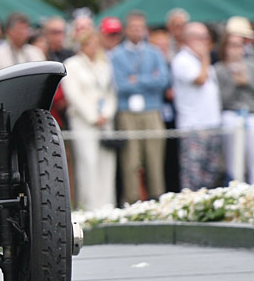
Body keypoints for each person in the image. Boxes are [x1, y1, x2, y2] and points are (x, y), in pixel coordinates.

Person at [109, 11, 170, 204]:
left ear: (145, 30)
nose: (137, 31)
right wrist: (148, 80)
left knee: (155, 159)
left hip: (152, 110)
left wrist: (137, 80)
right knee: (131, 161)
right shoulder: (116, 55)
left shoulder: (154, 52)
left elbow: (162, 80)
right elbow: (120, 85)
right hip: (127, 112)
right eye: (133, 27)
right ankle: (132, 201)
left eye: (140, 28)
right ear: (127, 30)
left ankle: (158, 199)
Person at [61, 31, 117, 213]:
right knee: (88, 162)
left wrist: (106, 114)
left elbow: (111, 93)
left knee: (107, 162)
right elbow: (73, 94)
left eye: (96, 44)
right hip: (83, 121)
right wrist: (93, 116)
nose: (93, 48)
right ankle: (89, 207)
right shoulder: (72, 65)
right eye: (89, 44)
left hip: (105, 121)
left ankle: (107, 206)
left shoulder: (104, 64)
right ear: (81, 46)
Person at [171, 22, 224, 191]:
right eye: (202, 37)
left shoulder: (201, 60)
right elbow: (200, 80)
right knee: (193, 177)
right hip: (193, 126)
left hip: (212, 124)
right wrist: (205, 57)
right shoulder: (182, 60)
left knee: (210, 175)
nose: (206, 41)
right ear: (190, 39)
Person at [215, 20, 254, 184]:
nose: (237, 50)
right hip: (232, 116)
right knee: (234, 162)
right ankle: (237, 192)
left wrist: (247, 81)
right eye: (232, 45)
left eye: (239, 45)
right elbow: (222, 101)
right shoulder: (219, 69)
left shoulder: (253, 66)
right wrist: (235, 83)